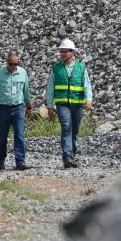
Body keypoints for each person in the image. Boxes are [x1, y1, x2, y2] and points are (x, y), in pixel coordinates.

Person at [46, 39, 94, 168]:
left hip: (78, 104)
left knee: (74, 130)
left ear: (72, 52)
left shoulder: (81, 67)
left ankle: (72, 155)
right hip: (62, 104)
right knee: (67, 128)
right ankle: (67, 157)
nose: (61, 53)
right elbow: (50, 88)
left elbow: (87, 85)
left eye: (64, 51)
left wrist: (88, 100)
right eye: (61, 51)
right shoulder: (56, 68)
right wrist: (50, 106)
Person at [0, 50, 32, 171]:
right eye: (10, 64)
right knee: (2, 136)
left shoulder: (23, 73)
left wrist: (28, 106)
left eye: (15, 64)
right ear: (7, 62)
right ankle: (0, 161)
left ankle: (20, 162)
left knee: (19, 135)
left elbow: (26, 91)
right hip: (3, 109)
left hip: (18, 108)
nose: (13, 66)